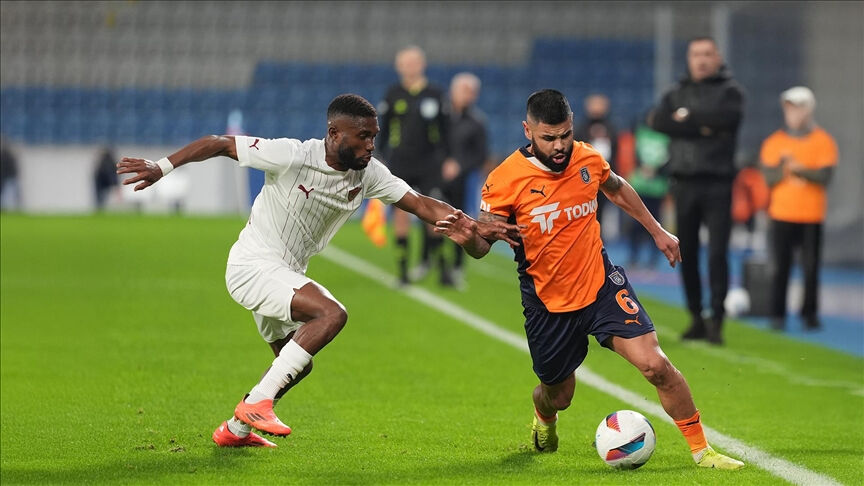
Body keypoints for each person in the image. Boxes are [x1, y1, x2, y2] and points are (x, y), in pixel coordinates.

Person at [116, 94, 517, 448]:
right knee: (331, 313)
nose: (369, 145)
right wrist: (162, 166)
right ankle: (256, 404)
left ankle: (236, 429)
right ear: (333, 133)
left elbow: (420, 204)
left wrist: (472, 225)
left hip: (285, 273)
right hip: (253, 265)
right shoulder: (292, 154)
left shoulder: (369, 172)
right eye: (361, 136)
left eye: (374, 136)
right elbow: (219, 144)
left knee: (297, 363)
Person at [435, 89, 744, 469]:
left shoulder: (587, 157)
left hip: (600, 284)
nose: (560, 144)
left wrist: (657, 230)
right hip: (547, 301)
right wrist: (470, 240)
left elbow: (615, 186)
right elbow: (483, 242)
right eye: (549, 137)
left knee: (655, 365)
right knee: (559, 394)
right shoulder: (504, 180)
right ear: (527, 131)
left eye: (565, 133)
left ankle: (702, 451)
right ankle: (543, 412)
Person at [648, 37, 744, 345]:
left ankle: (717, 319)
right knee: (685, 251)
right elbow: (658, 121)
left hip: (717, 183)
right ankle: (695, 316)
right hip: (684, 182)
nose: (701, 60)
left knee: (718, 253)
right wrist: (702, 127)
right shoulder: (676, 92)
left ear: (717, 58)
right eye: (696, 54)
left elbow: (726, 120)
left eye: (707, 54)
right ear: (689, 58)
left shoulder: (731, 93)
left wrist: (685, 119)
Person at [759, 86, 837, 331]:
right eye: (789, 107)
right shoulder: (774, 142)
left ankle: (809, 314)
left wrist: (799, 168)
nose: (792, 113)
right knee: (779, 268)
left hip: (811, 215)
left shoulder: (823, 141)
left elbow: (824, 176)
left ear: (808, 110)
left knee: (811, 269)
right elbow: (769, 177)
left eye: (798, 107)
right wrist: (786, 167)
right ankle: (777, 315)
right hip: (781, 214)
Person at [377, 46, 452, 286]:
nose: (409, 67)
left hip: (430, 162)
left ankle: (441, 267)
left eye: (414, 62)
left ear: (422, 65)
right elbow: (383, 131)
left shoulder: (435, 94)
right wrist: (378, 156)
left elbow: (447, 130)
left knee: (433, 213)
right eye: (405, 63)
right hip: (400, 162)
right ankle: (402, 270)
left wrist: (449, 158)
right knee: (401, 213)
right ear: (398, 67)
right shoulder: (392, 94)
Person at [443, 72, 489, 288]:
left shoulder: (477, 122)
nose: (467, 95)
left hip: (463, 182)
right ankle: (433, 263)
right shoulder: (441, 116)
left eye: (471, 91)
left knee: (461, 223)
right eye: (464, 90)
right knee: (431, 221)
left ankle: (457, 267)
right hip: (437, 177)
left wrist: (459, 166)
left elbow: (481, 155)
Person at [626, 123, 669, 268]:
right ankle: (634, 256)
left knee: (655, 224)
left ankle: (653, 258)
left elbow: (669, 159)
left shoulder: (666, 138)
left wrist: (656, 170)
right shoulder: (641, 134)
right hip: (640, 186)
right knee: (635, 224)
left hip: (657, 188)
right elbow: (635, 154)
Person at [575, 94, 617, 232]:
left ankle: (598, 241)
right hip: (585, 177)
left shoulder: (611, 127)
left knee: (602, 212)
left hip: (605, 175)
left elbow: (615, 151)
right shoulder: (581, 128)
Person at [0, 136, 20, 211]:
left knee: (8, 199)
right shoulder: (7, 155)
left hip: (9, 181)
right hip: (9, 180)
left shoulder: (5, 156)